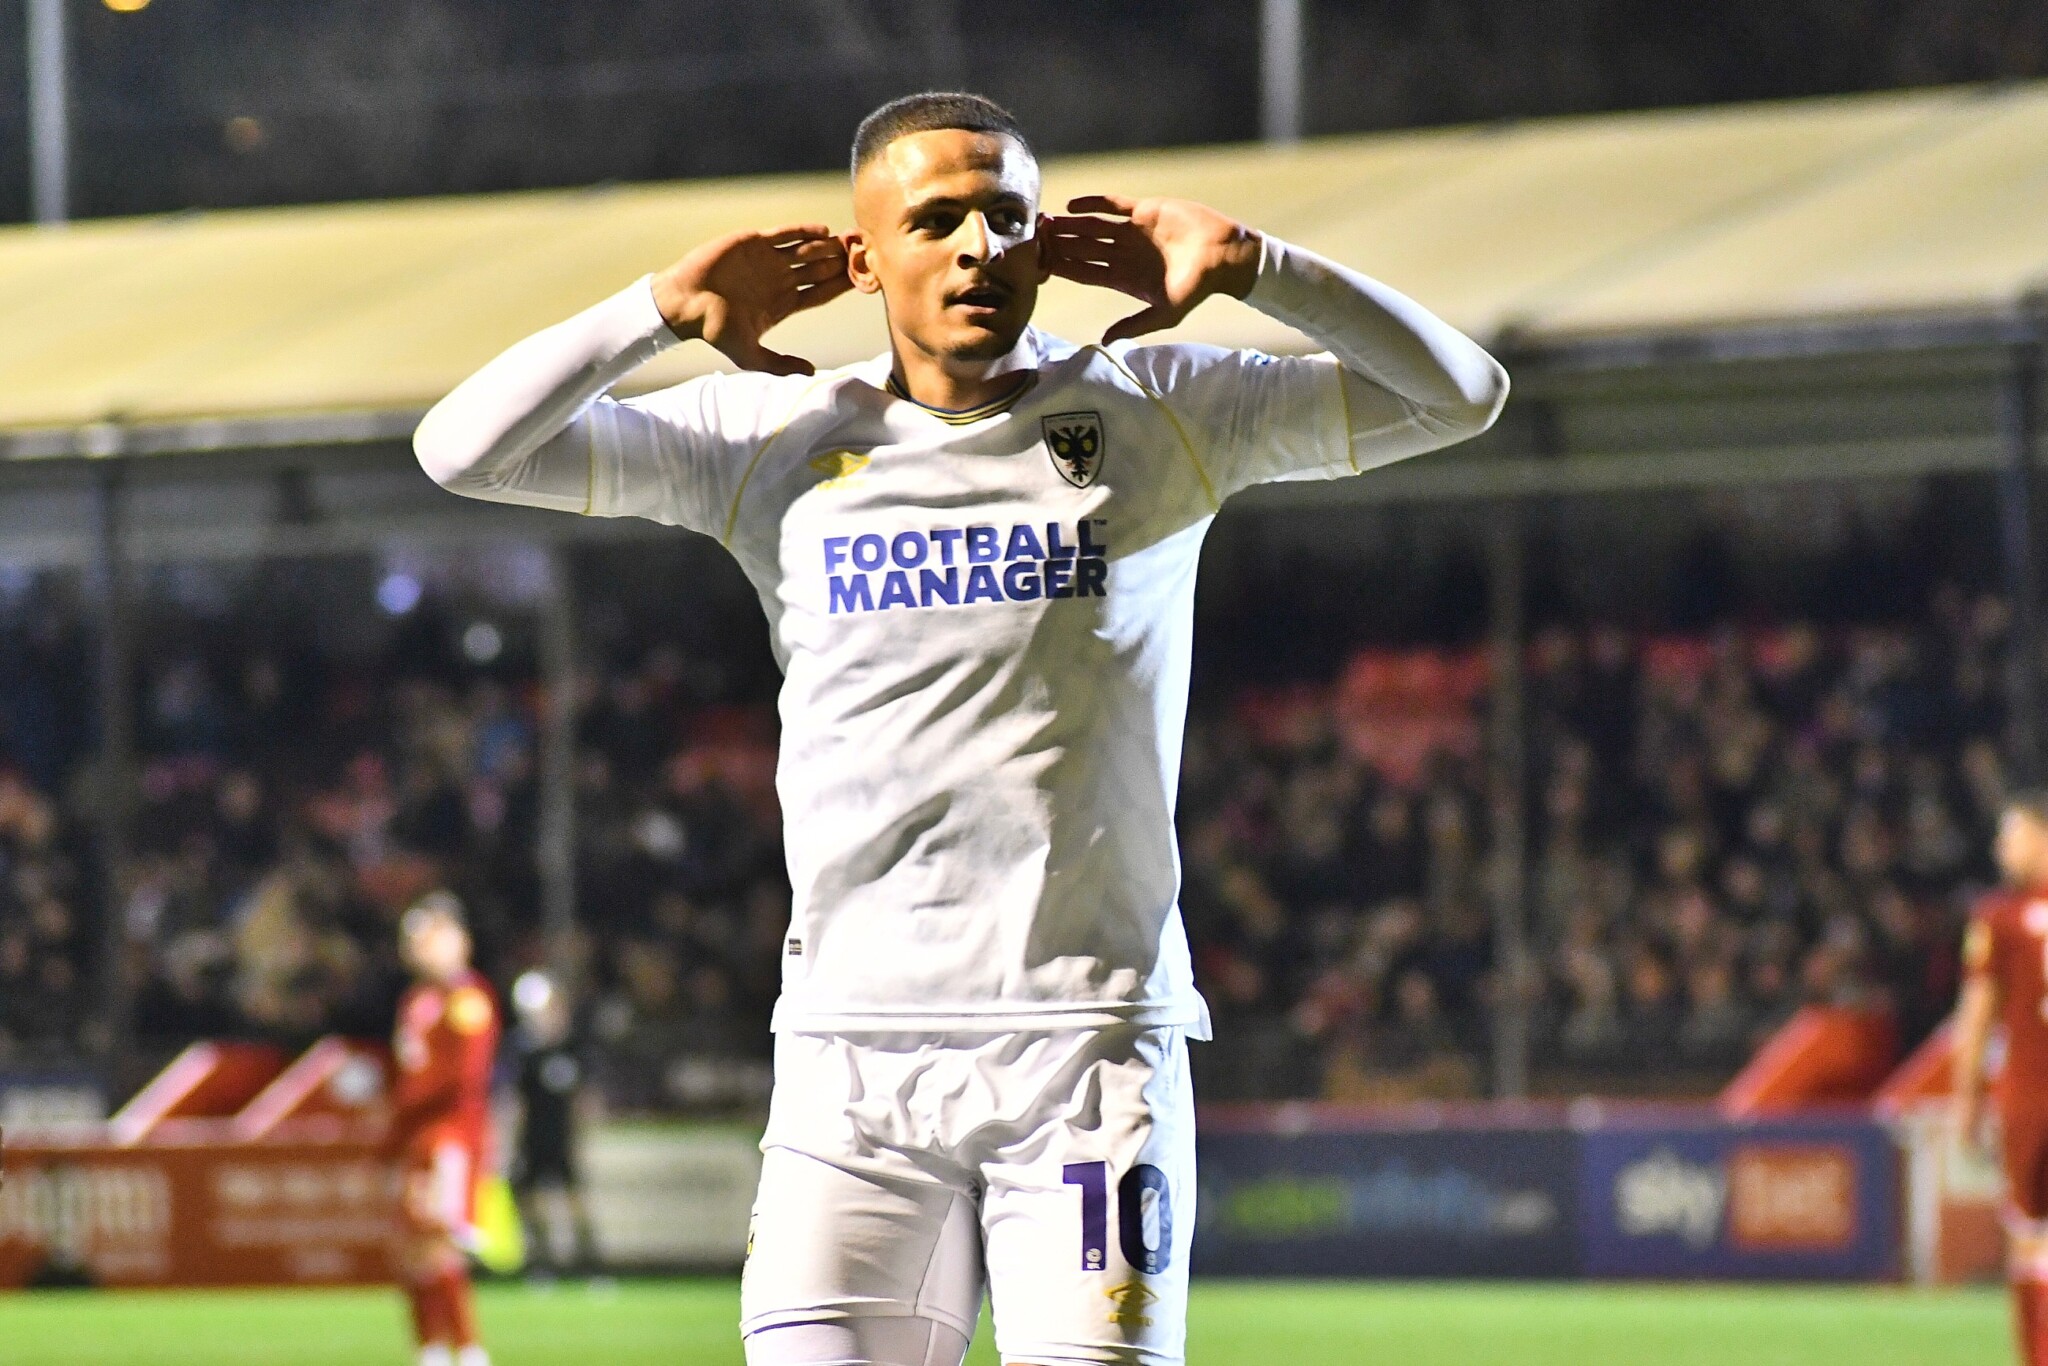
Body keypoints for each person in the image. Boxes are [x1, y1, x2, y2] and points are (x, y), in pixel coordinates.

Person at [415, 90, 1506, 1366]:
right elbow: (462, 452)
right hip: (849, 1065)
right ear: (864, 257)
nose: (980, 246)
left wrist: (1258, 266)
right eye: (935, 220)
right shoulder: (773, 436)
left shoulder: (1158, 408)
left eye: (1008, 216)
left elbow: (1461, 395)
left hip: (1089, 1057)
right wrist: (656, 308)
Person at [386, 892, 501, 1366]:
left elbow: (464, 1078)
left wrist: (410, 1100)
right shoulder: (416, 999)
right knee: (411, 1246)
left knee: (440, 1244)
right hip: (415, 1136)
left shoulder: (467, 999)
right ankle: (430, 1347)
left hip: (450, 1136)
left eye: (431, 935)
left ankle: (468, 1350)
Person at [1956, 792, 2048, 1366]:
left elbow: (1977, 1017)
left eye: (2010, 835)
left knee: (2029, 1237)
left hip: (2029, 1099)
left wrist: (1966, 1100)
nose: (2000, 848)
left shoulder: (2000, 917)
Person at [508, 969, 600, 1276]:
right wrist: (512, 1140)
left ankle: (588, 1261)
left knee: (573, 1196)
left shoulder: (573, 1046)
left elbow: (583, 1098)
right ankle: (540, 1259)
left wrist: (581, 1135)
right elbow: (516, 1101)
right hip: (533, 1136)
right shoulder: (524, 1052)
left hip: (562, 1135)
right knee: (530, 1197)